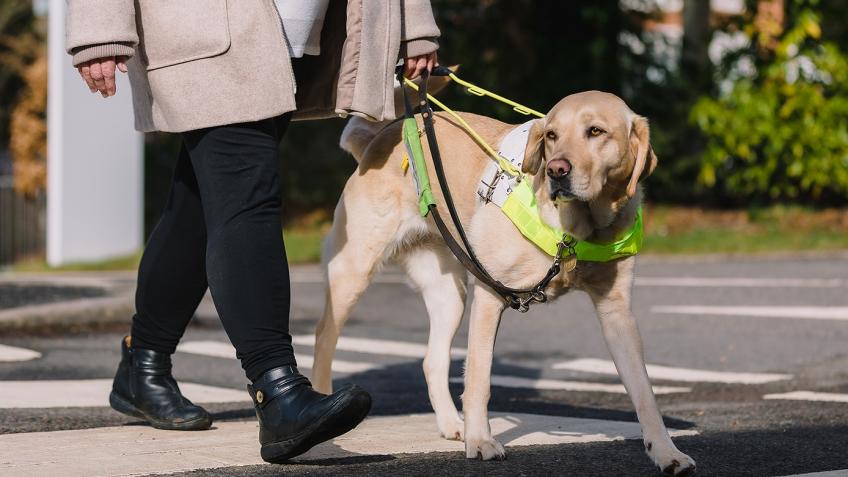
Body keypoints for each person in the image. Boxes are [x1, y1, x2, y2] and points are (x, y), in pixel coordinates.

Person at [65, 0, 439, 463]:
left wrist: (413, 24)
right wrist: (98, 28)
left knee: (201, 205)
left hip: (297, 35)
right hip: (205, 25)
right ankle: (278, 390)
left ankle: (143, 365)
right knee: (246, 196)